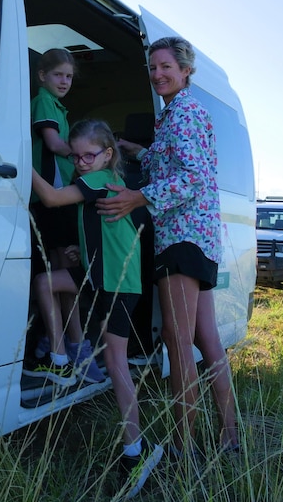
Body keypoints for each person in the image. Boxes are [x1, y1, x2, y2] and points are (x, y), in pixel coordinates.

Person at [95, 37, 240, 457]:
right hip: (200, 239)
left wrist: (138, 197)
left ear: (185, 70)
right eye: (152, 68)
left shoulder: (185, 113)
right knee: (206, 339)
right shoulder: (178, 114)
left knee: (178, 343)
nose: (157, 74)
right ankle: (229, 434)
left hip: (181, 238)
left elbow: (192, 177)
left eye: (165, 67)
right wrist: (135, 150)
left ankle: (183, 446)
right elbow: (173, 163)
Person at [25, 119, 164, 497]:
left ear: (106, 154)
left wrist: (21, 162)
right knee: (45, 282)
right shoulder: (96, 183)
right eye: (76, 155)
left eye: (90, 155)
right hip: (95, 277)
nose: (82, 161)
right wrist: (79, 252)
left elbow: (51, 199)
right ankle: (58, 358)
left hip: (117, 286)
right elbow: (103, 234)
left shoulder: (100, 179)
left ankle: (137, 451)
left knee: (117, 364)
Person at [29, 48, 104, 383]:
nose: (64, 81)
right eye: (58, 74)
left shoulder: (57, 107)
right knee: (60, 274)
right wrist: (84, 154)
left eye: (69, 76)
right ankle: (71, 345)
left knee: (60, 274)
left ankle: (64, 344)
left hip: (55, 201)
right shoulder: (44, 102)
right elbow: (53, 143)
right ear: (42, 76)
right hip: (49, 198)